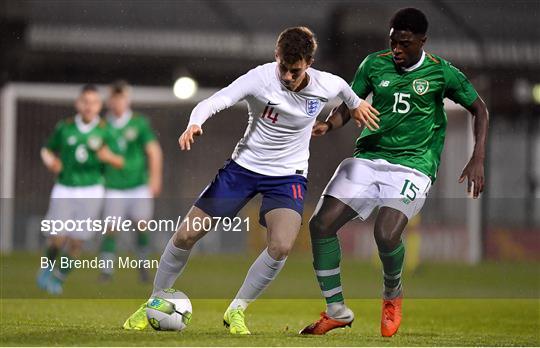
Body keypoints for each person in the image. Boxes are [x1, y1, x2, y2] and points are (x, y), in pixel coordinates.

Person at [122, 26, 379, 334]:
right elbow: (215, 101)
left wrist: (352, 108)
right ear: (276, 57)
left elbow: (351, 98)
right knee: (187, 235)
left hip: (288, 176)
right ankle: (153, 301)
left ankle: (237, 310)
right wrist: (194, 123)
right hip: (242, 169)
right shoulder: (259, 78)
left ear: (308, 63)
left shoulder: (329, 83)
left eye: (294, 71)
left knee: (282, 245)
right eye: (283, 67)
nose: (286, 76)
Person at [300, 8, 489, 337]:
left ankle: (392, 295)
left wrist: (478, 156)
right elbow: (352, 103)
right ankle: (336, 311)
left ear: (421, 41)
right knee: (320, 224)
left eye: (404, 43)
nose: (397, 50)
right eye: (393, 42)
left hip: (413, 165)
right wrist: (329, 124)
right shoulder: (374, 64)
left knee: (386, 234)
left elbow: (479, 109)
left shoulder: (441, 73)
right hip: (369, 158)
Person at [37, 84, 124, 295]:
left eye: (94, 102)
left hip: (92, 191)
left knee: (77, 241)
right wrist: (51, 162)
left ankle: (59, 279)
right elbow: (46, 150)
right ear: (78, 103)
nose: (89, 106)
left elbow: (120, 161)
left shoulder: (106, 130)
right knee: (57, 237)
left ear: (99, 106)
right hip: (65, 188)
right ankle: (47, 268)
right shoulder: (65, 127)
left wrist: (108, 157)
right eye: (85, 101)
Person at [99, 80, 163, 283]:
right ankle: (106, 272)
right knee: (111, 228)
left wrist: (155, 178)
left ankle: (143, 269)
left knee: (142, 226)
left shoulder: (139, 122)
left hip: (138, 185)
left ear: (127, 100)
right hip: (114, 186)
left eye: (121, 98)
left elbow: (154, 151)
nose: (118, 102)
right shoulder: (102, 126)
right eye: (114, 98)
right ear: (109, 100)